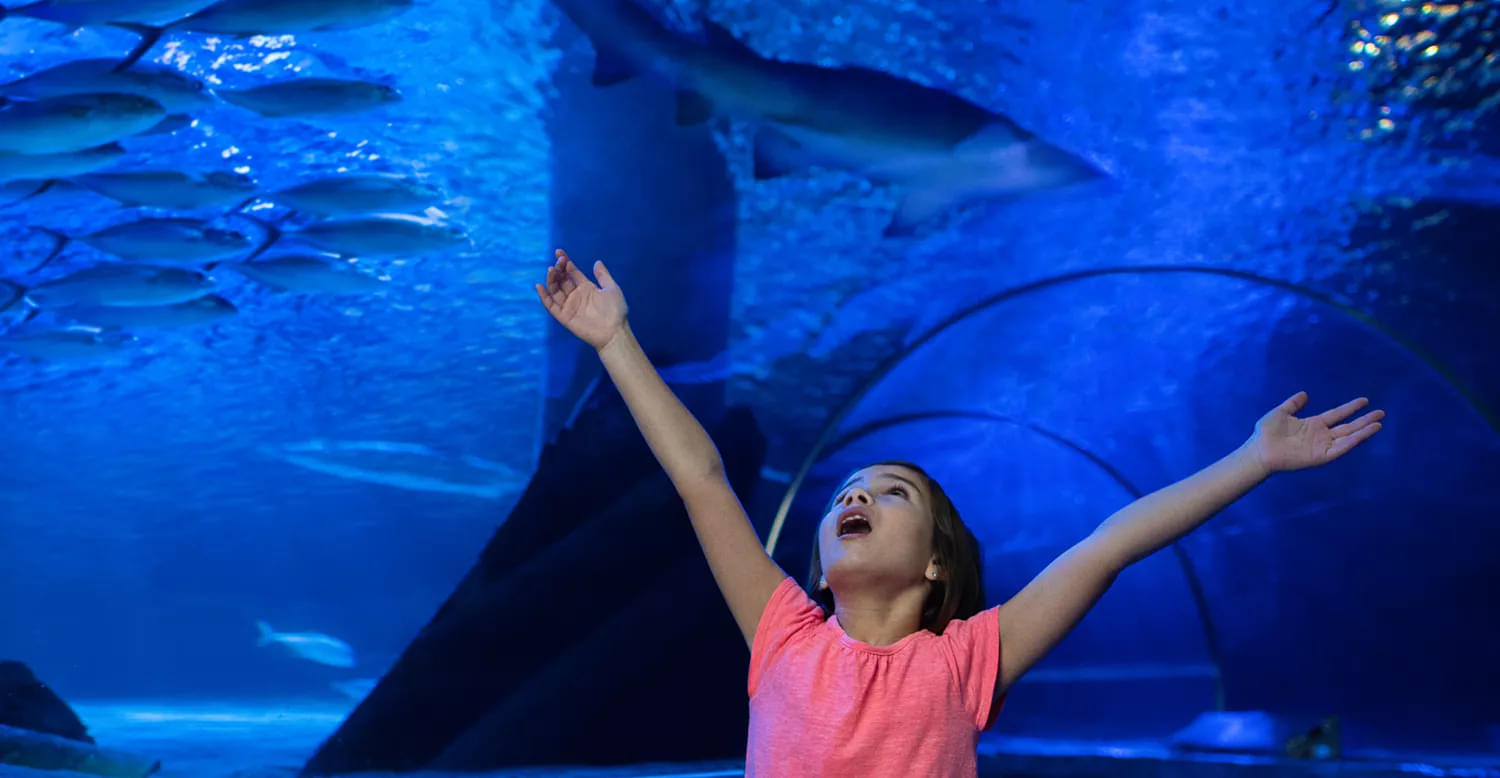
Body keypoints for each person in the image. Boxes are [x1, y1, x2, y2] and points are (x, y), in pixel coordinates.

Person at [534, 249, 1385, 777]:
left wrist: (1253, 459)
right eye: (843, 495)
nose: (856, 496)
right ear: (819, 561)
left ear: (937, 562)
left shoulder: (969, 661)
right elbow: (703, 479)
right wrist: (615, 342)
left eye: (889, 491)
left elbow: (1109, 544)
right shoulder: (783, 633)